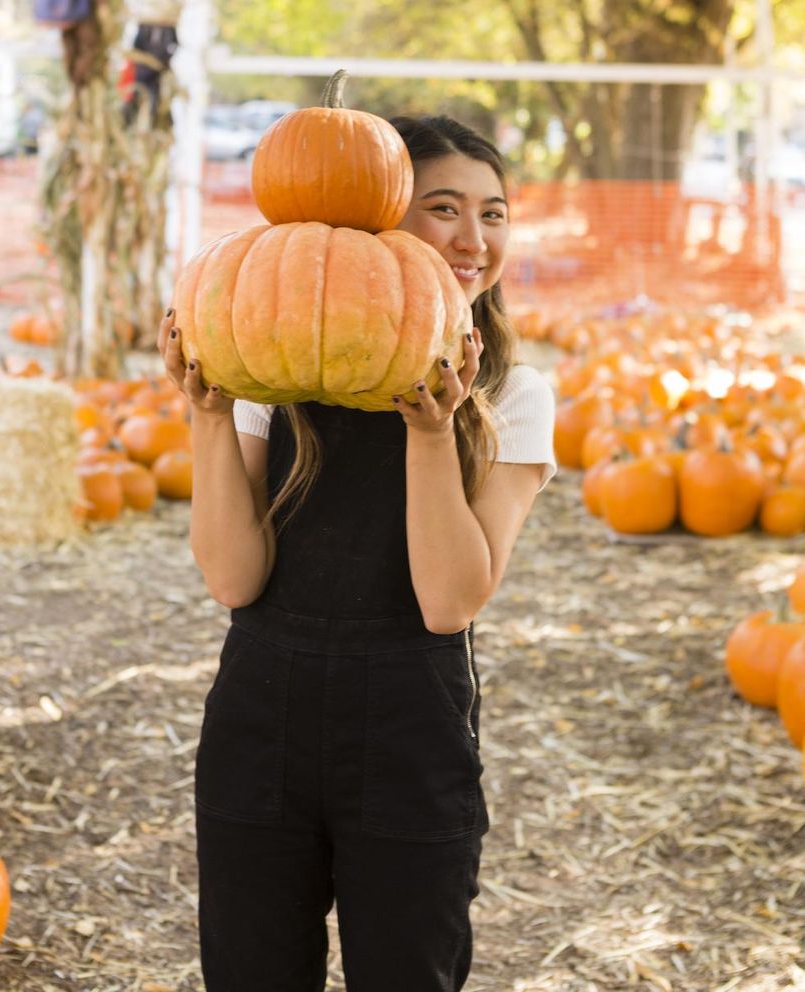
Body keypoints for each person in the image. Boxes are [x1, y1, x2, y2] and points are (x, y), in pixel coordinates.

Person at [157, 114, 556, 992]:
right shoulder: (272, 374)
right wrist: (210, 415)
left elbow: (450, 602)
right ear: (377, 222)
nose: (471, 238)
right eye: (441, 208)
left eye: (493, 214)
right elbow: (233, 578)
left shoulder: (511, 397)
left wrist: (429, 434)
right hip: (261, 712)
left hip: (411, 724)